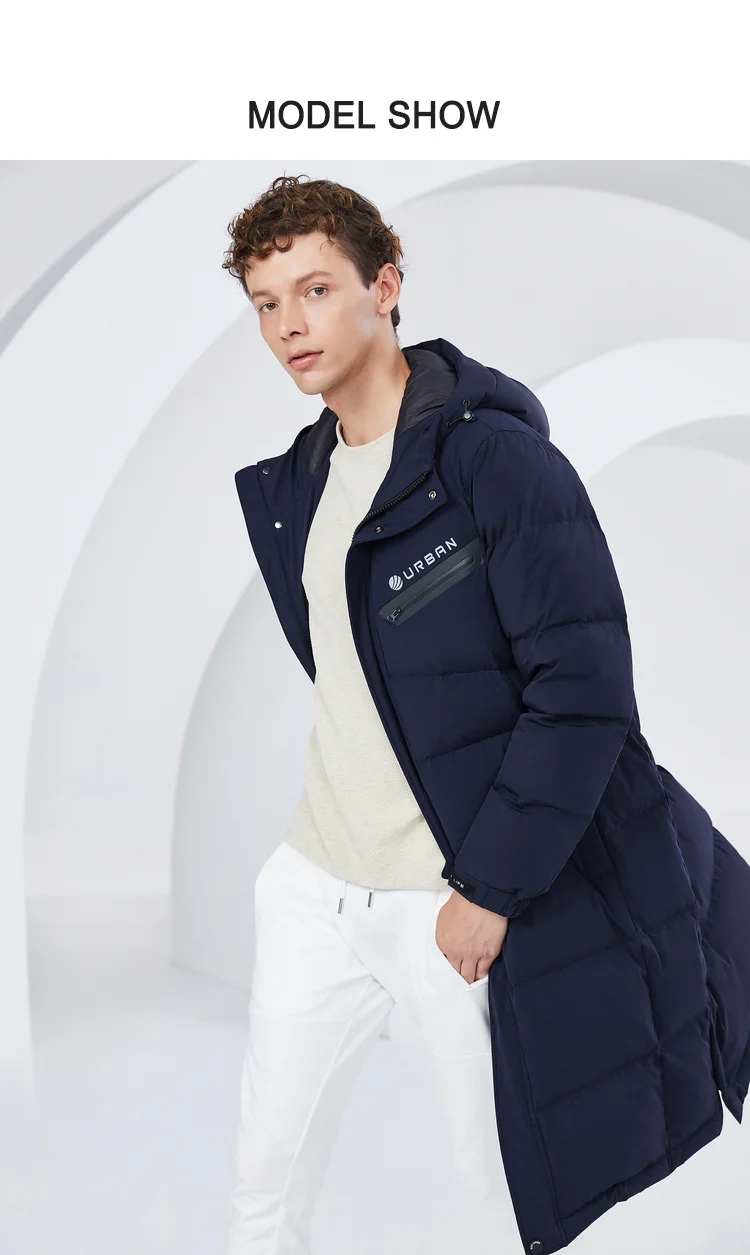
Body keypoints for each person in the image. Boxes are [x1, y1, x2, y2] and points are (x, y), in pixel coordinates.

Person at [222, 174, 750, 1255]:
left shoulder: (494, 462)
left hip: (448, 904)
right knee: (262, 1189)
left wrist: (489, 887)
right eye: (267, 303)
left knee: (504, 1204)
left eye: (315, 290)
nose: (288, 326)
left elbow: (583, 688)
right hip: (315, 887)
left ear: (386, 287)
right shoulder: (298, 486)